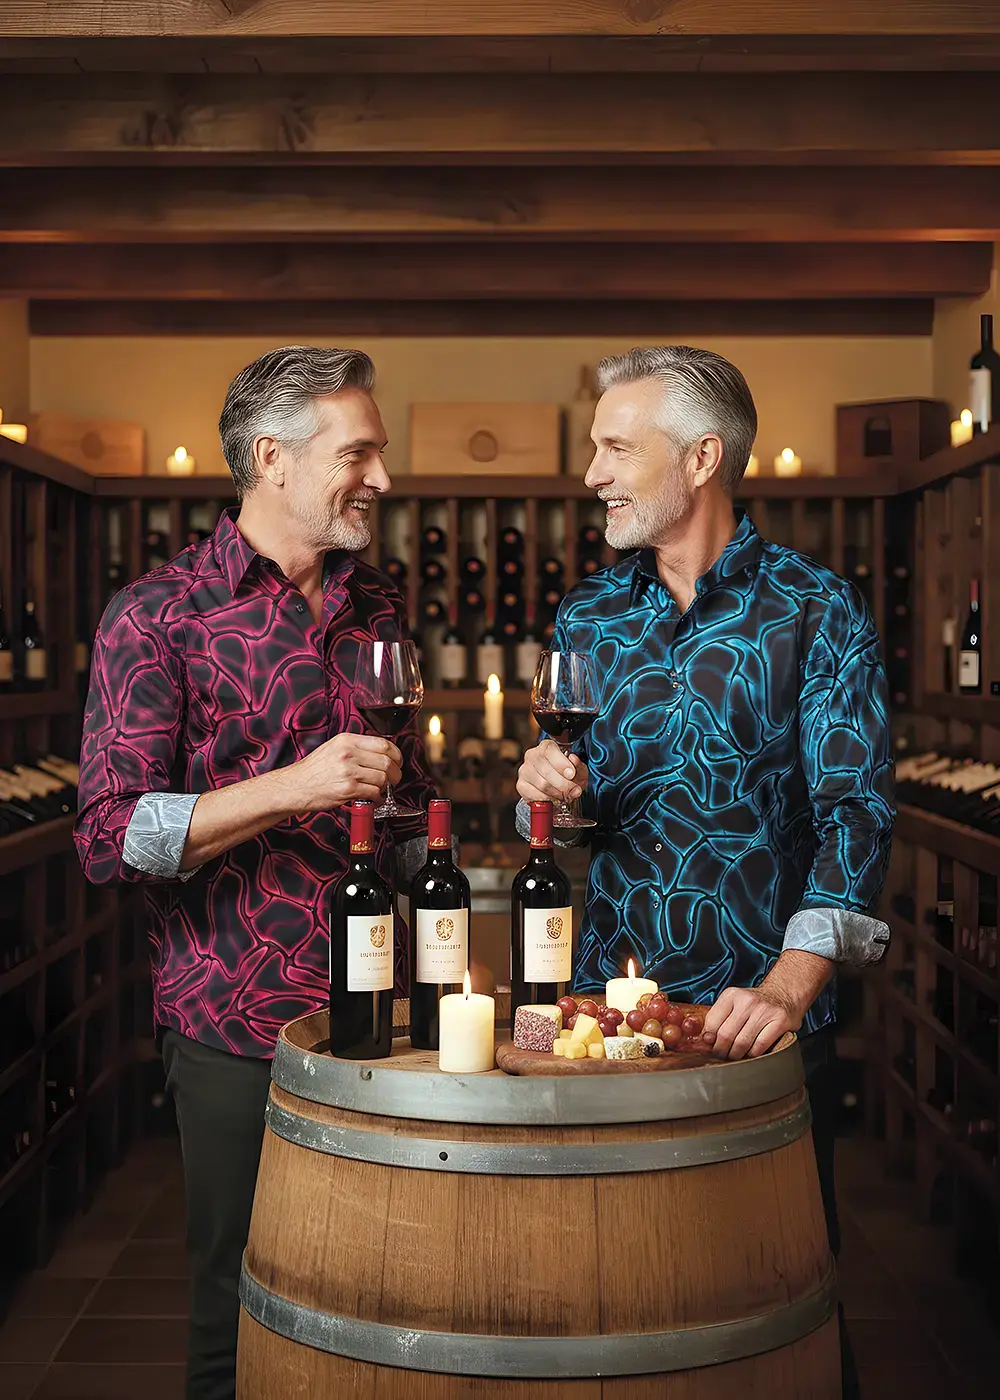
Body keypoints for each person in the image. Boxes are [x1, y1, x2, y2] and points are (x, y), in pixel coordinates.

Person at [516, 345, 894, 1400]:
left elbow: (856, 811)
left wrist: (789, 985)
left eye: (613, 446)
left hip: (756, 1019)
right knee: (593, 1287)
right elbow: (569, 816)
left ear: (702, 456)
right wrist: (545, 790)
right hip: (594, 1012)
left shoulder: (816, 607)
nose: (589, 470)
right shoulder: (587, 614)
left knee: (775, 1294)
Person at [74, 347, 436, 1400]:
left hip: (382, 1004)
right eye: (358, 451)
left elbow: (401, 797)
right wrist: (295, 786)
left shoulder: (380, 603)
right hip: (236, 1019)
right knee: (239, 1300)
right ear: (272, 457)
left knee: (376, 1290)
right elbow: (111, 836)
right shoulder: (157, 613)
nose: (381, 475)